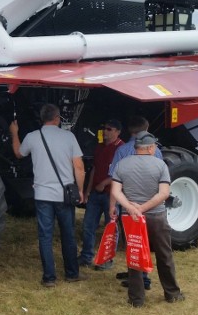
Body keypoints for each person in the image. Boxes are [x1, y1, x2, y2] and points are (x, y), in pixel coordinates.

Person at [9, 104, 87, 287]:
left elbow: (18, 153)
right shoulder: (69, 137)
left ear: (42, 118)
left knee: (45, 236)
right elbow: (79, 166)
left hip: (42, 195)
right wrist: (81, 190)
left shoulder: (32, 137)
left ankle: (49, 277)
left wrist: (14, 133)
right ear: (57, 118)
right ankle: (72, 273)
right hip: (64, 195)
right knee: (68, 234)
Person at [110, 131, 184, 307]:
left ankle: (137, 299)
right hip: (156, 216)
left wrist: (130, 208)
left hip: (131, 218)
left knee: (134, 256)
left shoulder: (121, 164)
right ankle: (172, 293)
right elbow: (164, 193)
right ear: (150, 148)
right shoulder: (160, 165)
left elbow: (115, 191)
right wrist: (143, 208)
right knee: (164, 255)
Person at [109, 116, 163, 290]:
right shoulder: (157, 151)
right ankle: (137, 273)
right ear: (146, 129)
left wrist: (113, 205)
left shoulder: (123, 151)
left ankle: (142, 279)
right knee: (143, 242)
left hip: (128, 205)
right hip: (151, 204)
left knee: (132, 242)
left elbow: (115, 181)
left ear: (130, 131)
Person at [78, 119, 124, 270]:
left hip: (111, 195)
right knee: (88, 226)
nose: (105, 132)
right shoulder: (99, 148)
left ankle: (107, 259)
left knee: (111, 228)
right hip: (96, 194)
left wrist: (104, 183)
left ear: (117, 132)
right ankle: (86, 256)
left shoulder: (121, 149)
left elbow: (121, 174)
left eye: (109, 129)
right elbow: (94, 169)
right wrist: (88, 191)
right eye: (104, 128)